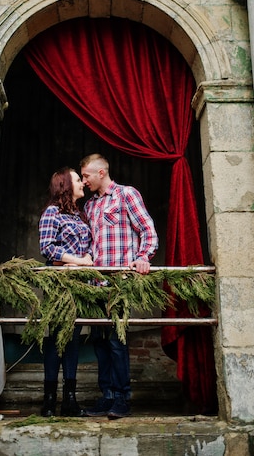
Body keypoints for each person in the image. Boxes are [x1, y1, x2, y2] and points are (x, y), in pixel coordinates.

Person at [80, 153, 158, 419]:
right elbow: (91, 244)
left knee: (116, 340)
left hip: (119, 283)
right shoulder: (90, 206)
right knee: (99, 342)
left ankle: (122, 398)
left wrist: (143, 257)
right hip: (95, 284)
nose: (83, 181)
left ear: (101, 172)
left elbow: (147, 230)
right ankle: (108, 396)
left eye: (86, 176)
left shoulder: (126, 195)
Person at [38, 167, 93, 417]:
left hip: (81, 285)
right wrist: (78, 261)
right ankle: (49, 399)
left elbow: (89, 246)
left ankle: (69, 398)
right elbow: (47, 248)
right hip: (60, 285)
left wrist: (88, 258)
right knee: (56, 338)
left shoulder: (80, 216)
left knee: (73, 339)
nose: (82, 182)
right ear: (65, 185)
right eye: (77, 179)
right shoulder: (52, 213)